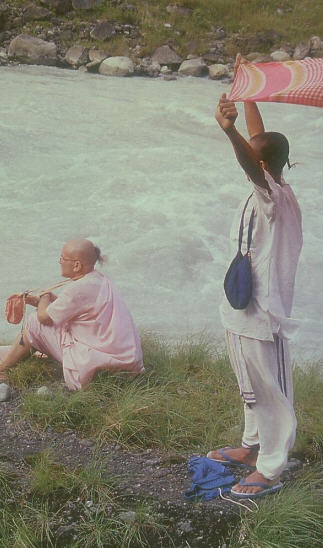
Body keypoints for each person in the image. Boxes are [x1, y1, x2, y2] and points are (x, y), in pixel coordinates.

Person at [208, 54, 303, 499]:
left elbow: (250, 160)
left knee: (271, 390)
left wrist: (227, 132)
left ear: (263, 166)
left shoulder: (273, 196)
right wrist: (247, 87)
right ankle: (250, 446)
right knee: (249, 382)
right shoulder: (265, 180)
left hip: (264, 311)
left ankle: (272, 465)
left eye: (252, 149)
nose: (247, 150)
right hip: (241, 304)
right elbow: (257, 146)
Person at [0, 238, 144, 390]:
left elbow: (45, 318)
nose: (59, 262)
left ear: (76, 265)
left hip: (94, 366)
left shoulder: (79, 287)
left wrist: (44, 298)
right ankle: (21, 353)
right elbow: (70, 308)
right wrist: (39, 301)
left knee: (33, 324)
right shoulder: (98, 281)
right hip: (124, 362)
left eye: (62, 258)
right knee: (37, 322)